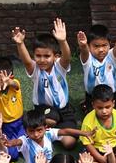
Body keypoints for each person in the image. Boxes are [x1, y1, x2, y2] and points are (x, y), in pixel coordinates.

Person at [11, 20, 78, 149]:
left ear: (55, 56)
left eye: (47, 56)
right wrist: (20, 44)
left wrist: (63, 41)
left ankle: (50, 132)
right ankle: (45, 130)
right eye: (38, 56)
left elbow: (67, 57)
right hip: (43, 110)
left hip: (64, 110)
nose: (42, 60)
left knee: (69, 143)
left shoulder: (60, 67)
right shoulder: (35, 69)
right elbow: (26, 61)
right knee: (51, 119)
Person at [77, 24, 116, 117]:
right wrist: (83, 46)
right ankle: (86, 104)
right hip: (93, 96)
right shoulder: (88, 59)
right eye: (96, 46)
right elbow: (84, 52)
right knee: (94, 118)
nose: (101, 49)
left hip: (112, 93)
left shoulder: (111, 56)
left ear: (109, 44)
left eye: (104, 45)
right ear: (89, 46)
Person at [79, 84, 116, 163]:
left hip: (114, 148)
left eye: (107, 107)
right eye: (100, 108)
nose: (104, 111)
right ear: (93, 105)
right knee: (84, 160)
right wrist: (100, 158)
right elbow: (88, 144)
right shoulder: (88, 121)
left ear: (113, 104)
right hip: (97, 149)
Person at [0, 56, 24, 161]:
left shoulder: (14, 84)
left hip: (20, 123)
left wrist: (9, 81)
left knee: (28, 142)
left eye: (2, 78)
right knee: (13, 156)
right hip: (4, 126)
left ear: (11, 76)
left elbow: (15, 84)